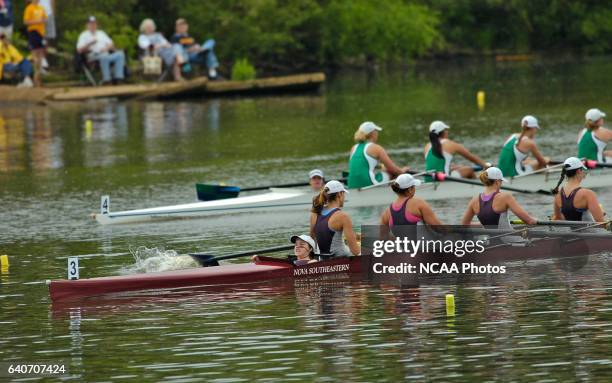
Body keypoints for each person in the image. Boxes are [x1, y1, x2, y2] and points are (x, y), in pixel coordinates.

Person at [461, 167, 537, 228]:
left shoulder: (474, 200)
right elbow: (529, 221)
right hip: (510, 241)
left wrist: (484, 224)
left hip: (491, 242)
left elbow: (464, 225)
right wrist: (535, 220)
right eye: (501, 181)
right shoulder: (506, 197)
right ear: (497, 182)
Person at [347, 121, 410, 189]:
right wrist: (403, 171)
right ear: (373, 133)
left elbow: (361, 164)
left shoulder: (354, 148)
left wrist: (381, 166)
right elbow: (394, 169)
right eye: (376, 131)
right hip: (368, 185)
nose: (377, 133)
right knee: (392, 174)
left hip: (351, 185)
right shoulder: (376, 148)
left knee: (382, 172)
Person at [310, 180, 360, 256]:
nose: (344, 197)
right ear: (339, 194)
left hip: (321, 257)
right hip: (341, 257)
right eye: (344, 194)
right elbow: (355, 251)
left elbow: (311, 241)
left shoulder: (315, 213)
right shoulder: (343, 217)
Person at [425, 121, 489, 180]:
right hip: (444, 180)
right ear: (444, 132)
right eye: (446, 130)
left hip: (429, 179)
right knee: (469, 170)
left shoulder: (427, 146)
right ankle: (477, 188)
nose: (447, 132)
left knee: (457, 168)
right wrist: (487, 166)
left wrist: (453, 168)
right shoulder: (450, 144)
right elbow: (472, 158)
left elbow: (436, 165)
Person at [551, 157, 605, 222]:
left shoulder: (558, 194)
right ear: (579, 171)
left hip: (571, 231)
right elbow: (601, 222)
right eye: (582, 170)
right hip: (590, 232)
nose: (583, 173)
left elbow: (558, 218)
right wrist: (601, 213)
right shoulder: (588, 194)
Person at [76, 16, 126, 85]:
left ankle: (118, 78)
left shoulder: (101, 33)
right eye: (91, 24)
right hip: (93, 55)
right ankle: (106, 80)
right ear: (87, 25)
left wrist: (106, 48)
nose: (93, 25)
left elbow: (111, 44)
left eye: (94, 24)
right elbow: (79, 50)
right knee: (104, 57)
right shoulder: (83, 35)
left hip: (106, 53)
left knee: (120, 54)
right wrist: (90, 44)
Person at [252, 235, 319, 266]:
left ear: (310, 249)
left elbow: (316, 263)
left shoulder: (312, 262)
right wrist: (261, 259)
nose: (297, 247)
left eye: (301, 245)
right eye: (296, 244)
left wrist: (314, 263)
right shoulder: (290, 260)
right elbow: (278, 262)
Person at [23, 0, 46, 86]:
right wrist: (37, 21)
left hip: (41, 33)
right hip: (33, 32)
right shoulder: (29, 8)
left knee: (40, 57)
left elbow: (44, 18)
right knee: (35, 56)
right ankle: (34, 78)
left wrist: (43, 20)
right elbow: (26, 21)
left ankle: (38, 78)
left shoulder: (41, 8)